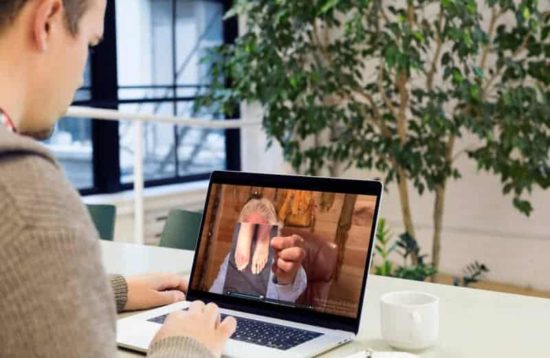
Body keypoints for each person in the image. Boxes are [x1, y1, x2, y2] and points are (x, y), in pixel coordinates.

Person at [0, 0, 235, 357]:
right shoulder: (25, 197)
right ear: (47, 20)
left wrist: (106, 290)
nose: (81, 77)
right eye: (90, 44)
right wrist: (187, 345)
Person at [209, 198, 307, 302]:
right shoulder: (231, 256)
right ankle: (251, 232)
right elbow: (217, 289)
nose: (252, 244)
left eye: (258, 229)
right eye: (250, 227)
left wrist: (288, 278)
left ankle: (262, 237)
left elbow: (289, 295)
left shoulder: (279, 259)